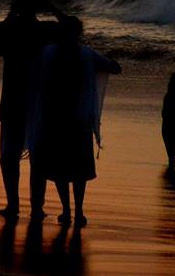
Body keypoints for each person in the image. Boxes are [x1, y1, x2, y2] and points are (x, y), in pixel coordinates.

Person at [0, 0, 76, 220]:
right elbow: (72, 29)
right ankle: (36, 207)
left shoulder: (8, 28)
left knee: (9, 155)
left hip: (12, 98)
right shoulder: (44, 30)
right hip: (38, 100)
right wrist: (51, 7)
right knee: (37, 157)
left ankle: (13, 205)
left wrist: (11, 13)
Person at [36, 16, 120, 228]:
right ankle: (79, 211)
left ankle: (66, 210)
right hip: (79, 120)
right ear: (79, 33)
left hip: (54, 118)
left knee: (60, 168)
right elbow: (114, 67)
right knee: (79, 169)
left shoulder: (48, 53)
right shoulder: (86, 54)